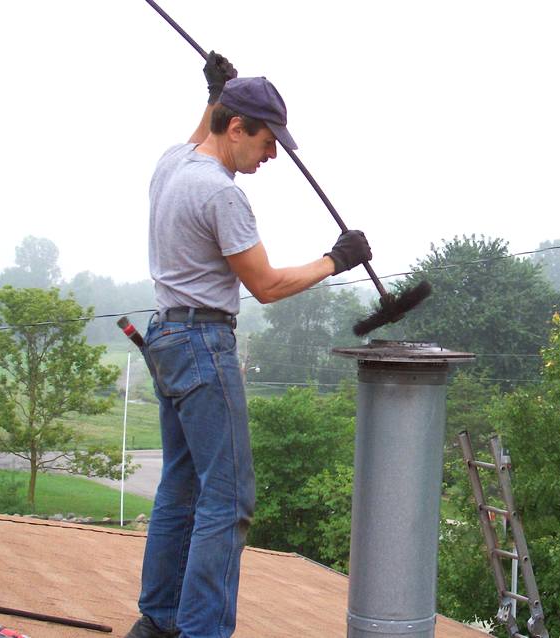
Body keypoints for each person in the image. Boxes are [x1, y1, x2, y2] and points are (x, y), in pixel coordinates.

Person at [125, 53, 371, 638]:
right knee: (229, 498)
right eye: (266, 142)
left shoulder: (172, 167)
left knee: (181, 484)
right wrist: (335, 261)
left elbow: (199, 134)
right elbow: (265, 285)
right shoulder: (222, 195)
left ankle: (158, 621)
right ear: (237, 127)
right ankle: (203, 631)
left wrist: (214, 92)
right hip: (204, 344)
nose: (272, 156)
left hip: (166, 335)